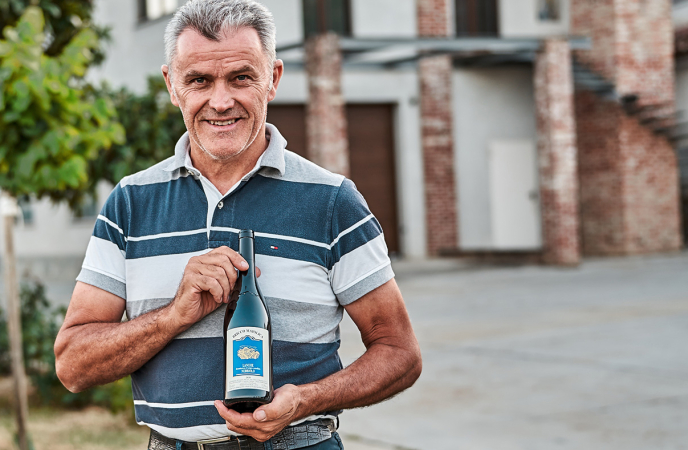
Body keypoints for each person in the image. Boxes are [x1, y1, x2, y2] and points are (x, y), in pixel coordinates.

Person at [53, 1, 421, 448]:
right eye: (199, 80)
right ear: (172, 85)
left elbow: (399, 353)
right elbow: (73, 365)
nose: (221, 101)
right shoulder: (130, 203)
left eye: (241, 77)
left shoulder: (332, 201)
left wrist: (306, 400)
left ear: (273, 79)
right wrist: (174, 316)